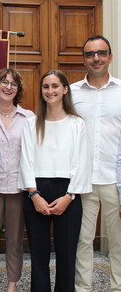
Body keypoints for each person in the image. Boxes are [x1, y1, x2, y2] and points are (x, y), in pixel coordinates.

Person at [18, 69, 91, 292]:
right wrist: (34, 194)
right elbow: (26, 160)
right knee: (38, 256)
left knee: (67, 255)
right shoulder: (32, 124)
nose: (50, 91)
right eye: (46, 87)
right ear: (41, 91)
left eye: (55, 86)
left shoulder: (77, 124)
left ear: (65, 89)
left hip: (67, 193)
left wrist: (69, 197)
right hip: (36, 192)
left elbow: (82, 162)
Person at [71, 35, 121, 292]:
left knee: (119, 241)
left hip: (115, 181)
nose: (96, 58)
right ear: (84, 59)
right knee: (83, 240)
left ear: (110, 57)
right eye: (90, 54)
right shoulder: (72, 92)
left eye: (101, 53)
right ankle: (82, 288)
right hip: (83, 181)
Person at [0, 68, 34, 292]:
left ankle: (12, 282)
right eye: (4, 82)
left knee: (14, 239)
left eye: (13, 84)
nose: (8, 87)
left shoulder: (29, 117)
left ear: (18, 89)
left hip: (19, 189)